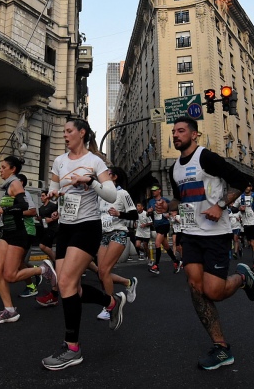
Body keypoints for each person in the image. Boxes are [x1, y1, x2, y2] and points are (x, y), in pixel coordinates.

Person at [156, 116, 254, 370]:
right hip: (191, 233)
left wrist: (221, 205)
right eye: (174, 131)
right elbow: (181, 200)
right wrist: (166, 205)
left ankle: (242, 279)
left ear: (194, 135)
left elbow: (242, 182)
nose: (176, 135)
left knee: (214, 291)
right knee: (195, 285)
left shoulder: (207, 158)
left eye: (181, 131)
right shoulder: (174, 168)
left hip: (215, 233)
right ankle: (221, 347)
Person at [40, 118, 124, 371]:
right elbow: (54, 188)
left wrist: (91, 182)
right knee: (72, 289)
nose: (64, 135)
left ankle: (72, 348)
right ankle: (111, 302)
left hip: (87, 226)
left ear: (81, 133)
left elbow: (111, 194)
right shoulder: (59, 161)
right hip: (65, 227)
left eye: (68, 131)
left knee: (65, 283)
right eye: (64, 131)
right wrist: (53, 196)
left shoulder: (95, 162)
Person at [0, 156, 53, 324]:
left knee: (10, 275)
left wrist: (2, 211)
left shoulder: (15, 183)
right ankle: (9, 310)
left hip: (18, 233)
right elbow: (12, 207)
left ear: (12, 169)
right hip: (6, 232)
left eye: (3, 167)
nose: (0, 170)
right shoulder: (8, 186)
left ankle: (43, 270)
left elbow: (24, 206)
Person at [95, 166, 138, 320]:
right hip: (104, 235)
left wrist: (119, 213)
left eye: (108, 173)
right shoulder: (101, 195)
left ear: (114, 177)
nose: (104, 175)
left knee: (105, 270)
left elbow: (134, 215)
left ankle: (110, 306)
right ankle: (129, 282)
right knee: (101, 273)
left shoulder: (122, 193)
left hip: (118, 233)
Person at [146, 185, 181, 274]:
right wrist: (149, 212)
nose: (153, 192)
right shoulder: (151, 201)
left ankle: (156, 266)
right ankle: (176, 261)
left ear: (159, 191)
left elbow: (173, 210)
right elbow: (147, 214)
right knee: (166, 246)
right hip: (157, 225)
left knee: (157, 244)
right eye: (152, 190)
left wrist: (168, 213)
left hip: (164, 224)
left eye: (155, 190)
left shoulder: (166, 200)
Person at [37, 190, 59, 262]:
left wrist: (51, 219)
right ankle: (55, 263)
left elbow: (58, 215)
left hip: (53, 229)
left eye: (43, 196)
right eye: (41, 196)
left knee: (42, 246)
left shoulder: (52, 206)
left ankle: (56, 260)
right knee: (48, 248)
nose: (41, 197)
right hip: (45, 229)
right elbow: (42, 219)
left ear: (47, 196)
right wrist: (39, 219)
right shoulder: (40, 208)